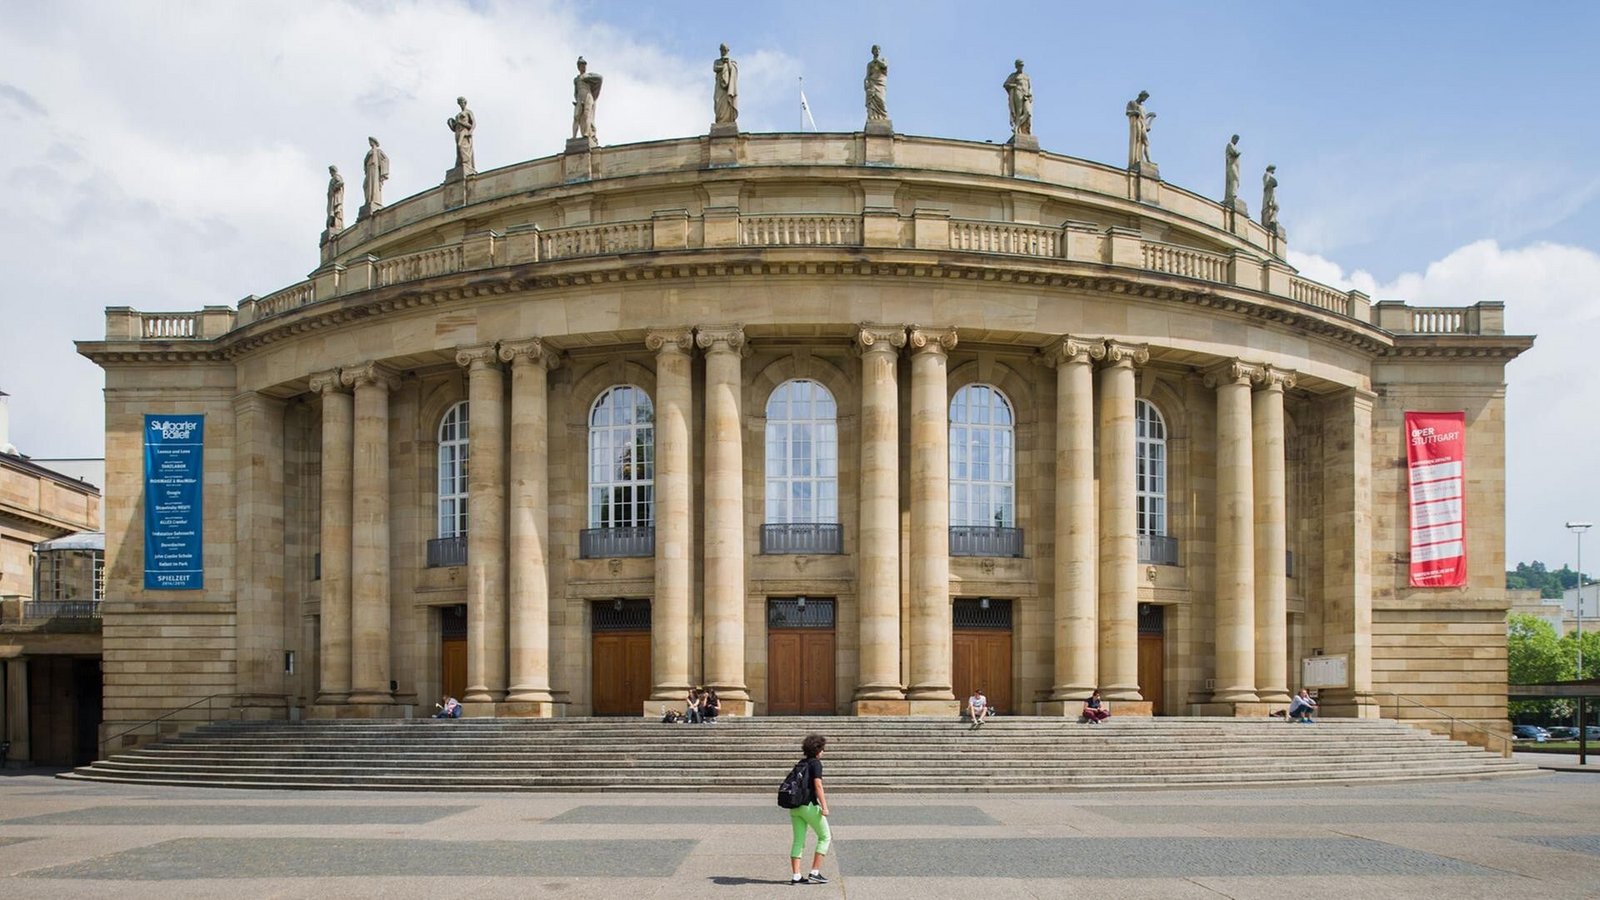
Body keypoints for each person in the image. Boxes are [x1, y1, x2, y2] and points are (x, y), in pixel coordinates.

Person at [787, 733, 831, 885]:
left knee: (798, 840)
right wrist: (824, 806)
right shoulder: (816, 764)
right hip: (809, 806)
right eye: (823, 749)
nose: (823, 751)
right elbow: (818, 785)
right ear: (818, 750)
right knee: (825, 836)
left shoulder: (801, 763)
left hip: (795, 807)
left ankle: (796, 875)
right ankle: (815, 872)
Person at [1003, 59, 1032, 136]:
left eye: (1022, 65)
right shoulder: (1013, 75)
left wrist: (1030, 95)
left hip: (1026, 95)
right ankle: (1017, 129)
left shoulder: (1026, 76)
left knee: (1028, 112)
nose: (1020, 67)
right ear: (1016, 66)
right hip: (1018, 93)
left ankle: (1017, 126)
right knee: (1019, 112)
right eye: (1019, 65)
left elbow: (1029, 87)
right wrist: (1014, 85)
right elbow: (1005, 84)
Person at [447, 96, 475, 175]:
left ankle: (466, 162)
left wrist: (471, 131)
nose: (461, 104)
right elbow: (454, 128)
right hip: (458, 131)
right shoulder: (458, 114)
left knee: (460, 145)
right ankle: (460, 164)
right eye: (459, 103)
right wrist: (451, 124)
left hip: (464, 131)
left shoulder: (468, 112)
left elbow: (473, 123)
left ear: (465, 103)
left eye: (461, 102)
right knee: (458, 147)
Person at [712, 43, 739, 127]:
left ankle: (728, 120)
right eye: (721, 50)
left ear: (727, 50)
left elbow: (734, 70)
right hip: (719, 87)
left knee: (727, 102)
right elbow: (715, 68)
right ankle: (720, 120)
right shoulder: (717, 61)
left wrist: (728, 63)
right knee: (718, 101)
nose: (723, 51)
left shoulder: (732, 62)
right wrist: (723, 65)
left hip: (728, 88)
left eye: (724, 50)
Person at [864, 45, 889, 123]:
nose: (877, 50)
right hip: (872, 83)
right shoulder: (870, 64)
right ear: (872, 51)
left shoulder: (883, 60)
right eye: (875, 49)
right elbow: (867, 76)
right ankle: (873, 117)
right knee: (873, 101)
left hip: (880, 83)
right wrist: (866, 85)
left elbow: (884, 65)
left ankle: (883, 116)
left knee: (881, 100)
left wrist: (877, 60)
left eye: (878, 49)